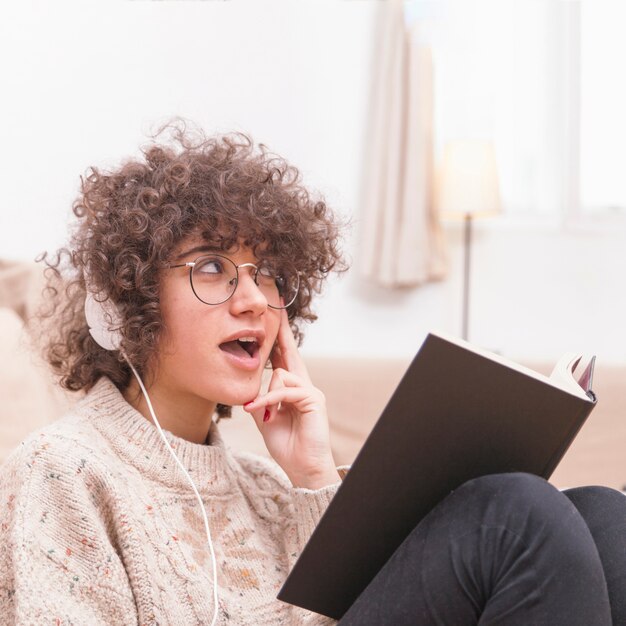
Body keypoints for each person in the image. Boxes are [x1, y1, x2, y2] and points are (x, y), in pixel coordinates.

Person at [0, 123, 625, 626]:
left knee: (602, 515)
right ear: (125, 301)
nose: (254, 300)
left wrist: (315, 481)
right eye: (213, 268)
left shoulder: (268, 488)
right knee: (511, 516)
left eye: (266, 272)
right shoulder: (64, 468)